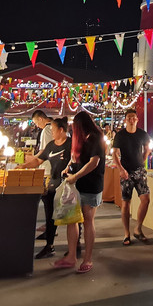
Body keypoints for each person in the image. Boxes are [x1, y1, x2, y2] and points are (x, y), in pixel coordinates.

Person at [54, 111, 105, 274]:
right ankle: (71, 256)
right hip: (76, 184)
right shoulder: (81, 139)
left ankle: (87, 258)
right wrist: (68, 167)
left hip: (90, 185)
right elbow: (76, 157)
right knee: (71, 219)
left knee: (87, 220)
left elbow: (94, 162)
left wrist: (75, 175)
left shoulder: (96, 138)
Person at [23, 117, 71, 259]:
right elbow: (39, 160)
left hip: (67, 186)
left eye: (53, 129)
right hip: (52, 184)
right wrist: (22, 167)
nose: (51, 132)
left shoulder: (71, 145)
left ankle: (75, 246)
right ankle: (49, 245)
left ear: (61, 130)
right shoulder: (51, 145)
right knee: (50, 216)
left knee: (71, 218)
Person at [112, 109, 151, 245]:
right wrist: (121, 169)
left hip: (139, 170)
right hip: (125, 172)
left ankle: (138, 228)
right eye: (129, 117)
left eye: (133, 117)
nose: (131, 119)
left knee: (145, 199)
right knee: (126, 202)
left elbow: (148, 148)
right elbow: (115, 154)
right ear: (125, 120)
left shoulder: (142, 134)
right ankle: (126, 233)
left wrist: (143, 160)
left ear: (137, 119)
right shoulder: (120, 135)